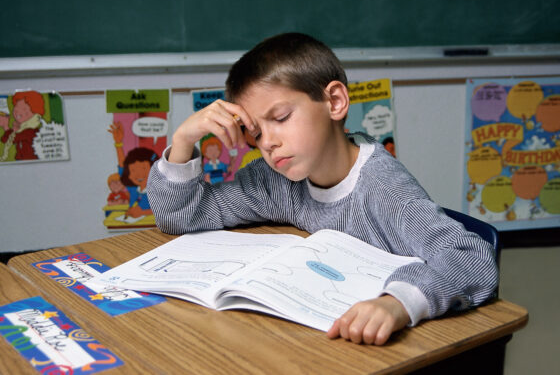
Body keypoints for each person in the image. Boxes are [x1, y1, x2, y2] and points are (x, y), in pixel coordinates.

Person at [147, 33, 498, 346]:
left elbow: (471, 257)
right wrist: (182, 141)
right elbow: (183, 216)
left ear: (334, 102)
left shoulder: (383, 189)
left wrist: (397, 304)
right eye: (254, 133)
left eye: (281, 118)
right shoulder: (277, 182)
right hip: (315, 338)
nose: (267, 143)